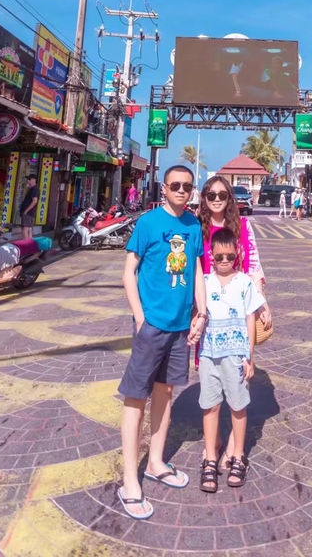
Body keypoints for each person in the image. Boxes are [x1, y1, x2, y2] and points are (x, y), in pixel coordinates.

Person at [117, 165, 206, 520]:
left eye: (187, 186)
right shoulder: (148, 223)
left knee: (165, 393)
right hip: (151, 324)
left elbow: (197, 270)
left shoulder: (194, 225)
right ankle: (128, 480)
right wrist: (140, 318)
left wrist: (202, 312)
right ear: (165, 188)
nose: (182, 191)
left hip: (180, 326)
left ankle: (155, 461)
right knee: (136, 395)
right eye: (176, 186)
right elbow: (129, 271)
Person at [198, 175, 272, 465]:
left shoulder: (242, 227)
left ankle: (234, 444)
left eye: (222, 195)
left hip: (237, 316)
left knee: (239, 373)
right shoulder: (197, 228)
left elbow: (253, 264)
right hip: (206, 315)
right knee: (208, 378)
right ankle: (213, 443)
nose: (217, 199)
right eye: (211, 194)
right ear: (204, 198)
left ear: (230, 198)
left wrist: (261, 302)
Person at [199, 227, 264, 493]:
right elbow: (196, 311)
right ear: (211, 256)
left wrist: (249, 357)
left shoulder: (245, 282)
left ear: (237, 254)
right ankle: (210, 457)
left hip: (236, 355)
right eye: (219, 257)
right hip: (209, 355)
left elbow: (251, 319)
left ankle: (238, 455)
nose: (224, 261)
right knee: (210, 406)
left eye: (229, 256)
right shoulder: (203, 282)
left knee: (238, 406)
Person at [19, 175, 39, 241]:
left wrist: (26, 211)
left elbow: (34, 201)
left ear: (33, 180)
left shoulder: (35, 189)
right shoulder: (32, 189)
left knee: (25, 229)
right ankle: (30, 245)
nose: (28, 181)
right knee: (29, 229)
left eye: (29, 179)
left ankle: (26, 245)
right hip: (30, 213)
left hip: (28, 213)